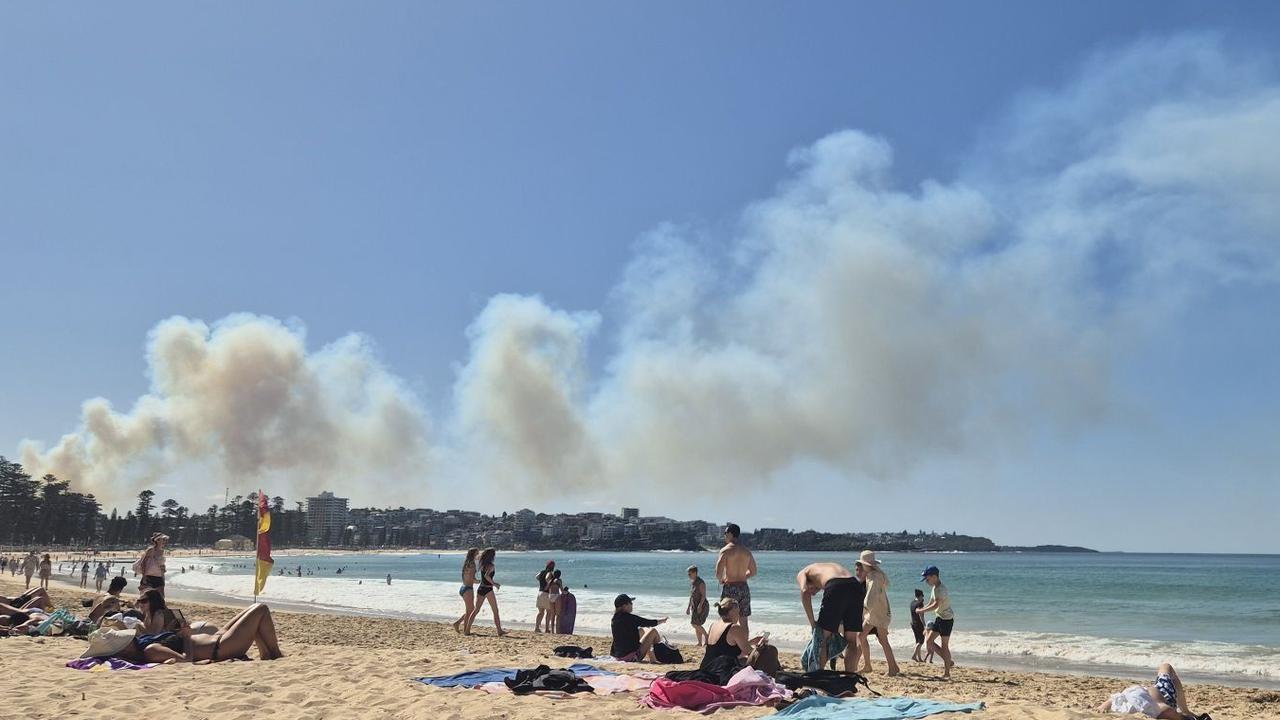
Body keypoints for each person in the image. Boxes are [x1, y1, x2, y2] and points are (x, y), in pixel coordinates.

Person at [797, 561, 864, 673]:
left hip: (836, 586)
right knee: (852, 640)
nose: (814, 593)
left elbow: (804, 591)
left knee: (823, 638)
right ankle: (849, 678)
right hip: (856, 586)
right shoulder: (826, 568)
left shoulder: (803, 572)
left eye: (813, 590)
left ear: (809, 581)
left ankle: (820, 676)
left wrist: (813, 623)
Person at [1098, 663, 1203, 719]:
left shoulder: (1122, 703)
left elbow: (1110, 702)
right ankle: (1185, 709)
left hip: (1142, 695)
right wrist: (1184, 716)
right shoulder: (1153, 705)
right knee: (1166, 666)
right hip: (1164, 694)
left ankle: (1185, 710)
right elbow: (1169, 711)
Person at [857, 551, 900, 675]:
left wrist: (864, 608)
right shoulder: (874, 574)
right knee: (866, 637)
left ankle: (891, 668)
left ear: (866, 564)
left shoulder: (874, 577)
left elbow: (871, 596)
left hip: (878, 613)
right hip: (877, 612)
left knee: (876, 638)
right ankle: (871, 665)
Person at [716, 523, 757, 637]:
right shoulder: (746, 551)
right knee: (743, 621)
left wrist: (722, 580)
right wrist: (743, 576)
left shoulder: (725, 550)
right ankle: (744, 648)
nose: (724, 536)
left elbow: (718, 573)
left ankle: (727, 644)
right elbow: (753, 571)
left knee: (727, 619)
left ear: (730, 534)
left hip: (730, 587)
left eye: (725, 533)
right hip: (744, 587)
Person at [701, 597, 766, 668]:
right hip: (720, 671)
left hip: (706, 666)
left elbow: (722, 648)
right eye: (738, 612)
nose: (739, 615)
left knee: (744, 660)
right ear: (732, 611)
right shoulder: (734, 628)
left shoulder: (713, 625)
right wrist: (760, 647)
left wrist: (751, 642)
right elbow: (749, 652)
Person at [916, 565, 955, 678]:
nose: (926, 581)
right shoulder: (934, 588)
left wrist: (922, 610)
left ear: (934, 577)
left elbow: (936, 605)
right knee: (928, 641)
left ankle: (947, 672)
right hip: (939, 618)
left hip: (947, 619)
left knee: (944, 646)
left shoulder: (941, 589)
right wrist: (922, 610)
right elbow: (931, 603)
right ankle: (948, 660)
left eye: (927, 579)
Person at [610, 594, 667, 662]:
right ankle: (660, 657)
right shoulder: (630, 618)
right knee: (653, 631)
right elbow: (648, 622)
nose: (632, 605)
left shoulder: (615, 618)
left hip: (618, 656)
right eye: (630, 603)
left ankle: (652, 658)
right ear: (624, 606)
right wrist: (662, 621)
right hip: (631, 657)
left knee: (641, 631)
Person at [465, 548, 508, 636]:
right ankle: (499, 631)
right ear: (492, 556)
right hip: (488, 589)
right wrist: (494, 583)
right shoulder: (491, 565)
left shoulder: (482, 564)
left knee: (476, 610)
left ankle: (467, 630)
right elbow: (487, 576)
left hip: (481, 588)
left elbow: (478, 558)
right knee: (495, 610)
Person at [452, 548, 479, 635]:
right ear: (474, 554)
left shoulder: (466, 563)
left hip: (463, 587)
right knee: (470, 611)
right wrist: (479, 581)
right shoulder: (472, 564)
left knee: (469, 610)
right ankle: (464, 629)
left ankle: (458, 624)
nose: (478, 555)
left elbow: (466, 576)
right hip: (468, 589)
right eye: (477, 553)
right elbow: (471, 578)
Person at [687, 564, 710, 645]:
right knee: (696, 624)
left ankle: (706, 636)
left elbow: (703, 596)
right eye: (688, 574)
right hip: (694, 606)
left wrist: (700, 606)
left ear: (695, 573)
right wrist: (688, 607)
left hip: (702, 605)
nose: (688, 575)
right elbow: (691, 596)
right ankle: (700, 642)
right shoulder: (693, 583)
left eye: (690, 574)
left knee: (695, 624)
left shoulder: (701, 583)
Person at [534, 560, 556, 633]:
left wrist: (542, 582)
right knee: (549, 612)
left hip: (540, 592)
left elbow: (536, 577)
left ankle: (536, 627)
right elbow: (547, 578)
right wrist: (548, 584)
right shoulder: (549, 573)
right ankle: (547, 629)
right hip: (546, 593)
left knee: (541, 612)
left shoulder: (542, 572)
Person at [909, 588, 926, 662]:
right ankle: (914, 656)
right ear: (920, 596)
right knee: (921, 641)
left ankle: (919, 658)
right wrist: (924, 625)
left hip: (913, 623)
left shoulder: (912, 603)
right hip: (919, 624)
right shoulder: (920, 603)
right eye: (922, 596)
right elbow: (921, 615)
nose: (923, 597)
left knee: (917, 641)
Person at [546, 569, 563, 634]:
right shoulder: (559, 580)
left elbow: (546, 588)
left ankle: (552, 631)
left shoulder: (550, 581)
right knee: (558, 615)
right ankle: (557, 630)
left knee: (552, 614)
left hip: (550, 596)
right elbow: (561, 589)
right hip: (556, 596)